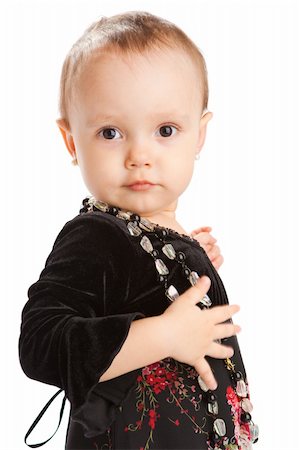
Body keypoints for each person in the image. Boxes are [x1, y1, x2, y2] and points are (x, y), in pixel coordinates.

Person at [19, 10, 259, 450]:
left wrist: (187, 259)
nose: (139, 155)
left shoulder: (146, 236)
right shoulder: (94, 236)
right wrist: (165, 334)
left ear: (199, 136)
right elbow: (40, 343)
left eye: (165, 130)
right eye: (110, 132)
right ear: (73, 142)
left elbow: (138, 285)